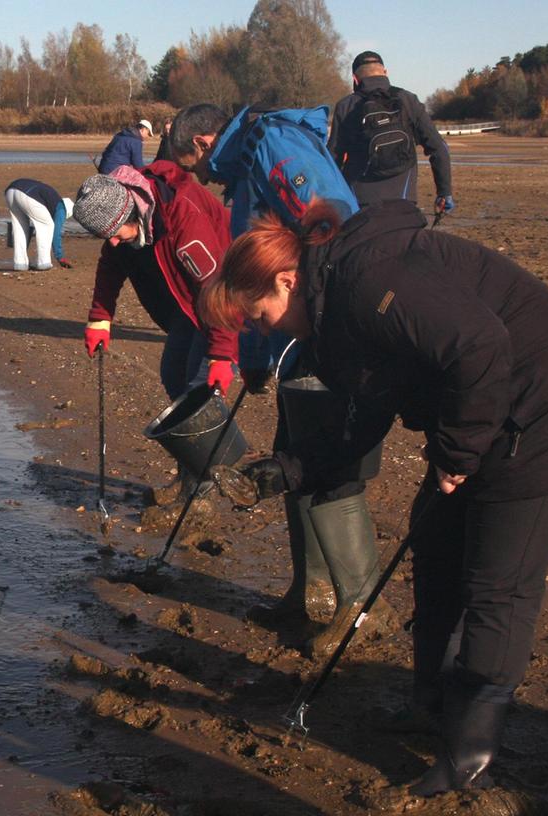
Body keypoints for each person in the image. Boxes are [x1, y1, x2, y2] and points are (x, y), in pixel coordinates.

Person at [201, 197, 548, 795]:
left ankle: (470, 756)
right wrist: (284, 470)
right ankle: (429, 704)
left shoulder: (367, 283)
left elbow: (480, 346)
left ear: (287, 281)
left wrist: (460, 453)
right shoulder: (332, 319)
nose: (261, 330)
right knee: (432, 540)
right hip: (486, 409)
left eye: (258, 316)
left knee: (498, 583)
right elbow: (361, 420)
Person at [193, 102, 389, 656]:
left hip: (323, 333)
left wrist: (329, 318)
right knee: (292, 452)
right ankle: (311, 593)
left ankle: (360, 606)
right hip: (292, 337)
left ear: (208, 139)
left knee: (326, 461)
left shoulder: (275, 145)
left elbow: (339, 223)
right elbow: (253, 280)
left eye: (195, 157)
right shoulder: (250, 160)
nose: (199, 172)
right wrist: (254, 351)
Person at [72, 158, 237, 405]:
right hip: (188, 301)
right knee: (173, 376)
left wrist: (222, 355)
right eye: (106, 238)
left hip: (228, 296)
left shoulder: (183, 217)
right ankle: (193, 434)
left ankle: (217, 440)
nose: (113, 243)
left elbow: (217, 288)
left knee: (200, 387)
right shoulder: (122, 209)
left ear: (133, 216)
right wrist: (100, 317)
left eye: (116, 236)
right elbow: (111, 266)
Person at [331, 51, 454, 214]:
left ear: (355, 79)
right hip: (403, 201)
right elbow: (439, 148)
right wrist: (444, 192)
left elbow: (333, 158)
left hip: (359, 203)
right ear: (385, 72)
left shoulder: (345, 106)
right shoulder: (408, 100)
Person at [4, 177, 73, 272]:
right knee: (47, 225)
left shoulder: (53, 199)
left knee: (20, 227)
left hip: (11, 190)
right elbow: (55, 233)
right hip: (27, 194)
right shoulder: (61, 209)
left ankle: (20, 264)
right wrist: (59, 257)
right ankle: (43, 263)